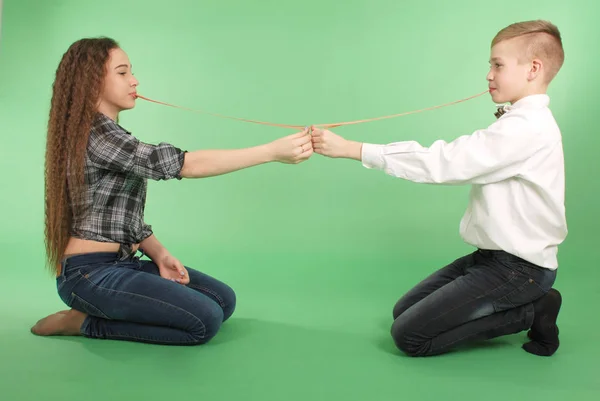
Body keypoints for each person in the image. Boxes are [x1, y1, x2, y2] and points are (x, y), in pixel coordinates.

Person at [31, 37, 314, 345]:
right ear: (91, 80)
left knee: (222, 300)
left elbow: (124, 220)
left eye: (131, 72)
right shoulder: (97, 136)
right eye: (123, 73)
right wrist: (270, 152)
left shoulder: (109, 134)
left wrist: (162, 256)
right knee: (204, 322)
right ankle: (84, 323)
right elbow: (183, 165)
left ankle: (109, 308)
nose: (134, 80)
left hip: (122, 263)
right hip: (89, 276)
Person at [310, 20, 566, 357]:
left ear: (533, 69)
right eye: (490, 65)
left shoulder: (527, 128)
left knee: (410, 336)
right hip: (489, 260)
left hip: (519, 270)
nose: (488, 75)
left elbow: (445, 161)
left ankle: (533, 310)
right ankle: (521, 302)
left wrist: (352, 149)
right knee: (403, 311)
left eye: (497, 65)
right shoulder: (518, 122)